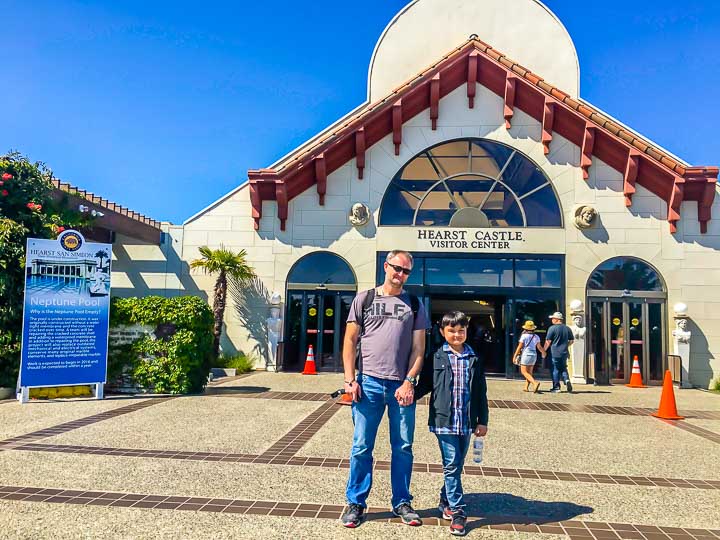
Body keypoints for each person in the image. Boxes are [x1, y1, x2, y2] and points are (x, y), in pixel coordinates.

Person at [341, 250, 429, 528]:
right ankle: (356, 502)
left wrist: (409, 381)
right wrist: (349, 379)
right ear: (385, 266)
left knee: (403, 447)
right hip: (368, 384)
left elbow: (419, 349)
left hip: (401, 387)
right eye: (396, 268)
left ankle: (401, 501)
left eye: (405, 271)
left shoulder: (414, 304)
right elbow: (350, 341)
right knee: (361, 447)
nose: (400, 275)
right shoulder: (364, 299)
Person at [415, 311, 488, 537]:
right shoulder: (436, 356)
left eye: (461, 331)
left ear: (466, 331)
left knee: (457, 463)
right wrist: (406, 395)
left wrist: (483, 420)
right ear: (442, 332)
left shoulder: (474, 357)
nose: (457, 335)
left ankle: (445, 499)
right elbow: (425, 384)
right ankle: (457, 511)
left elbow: (481, 392)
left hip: (466, 422)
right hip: (444, 421)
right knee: (452, 464)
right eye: (452, 331)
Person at [544, 311, 574, 393]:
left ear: (557, 319)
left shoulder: (552, 328)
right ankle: (567, 380)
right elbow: (571, 341)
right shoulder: (567, 328)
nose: (552, 320)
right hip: (564, 352)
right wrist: (566, 346)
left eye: (553, 318)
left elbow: (548, 341)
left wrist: (543, 351)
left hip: (555, 352)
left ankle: (556, 387)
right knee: (563, 367)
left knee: (555, 369)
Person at [512, 320, 545, 393]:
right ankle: (526, 387)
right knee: (529, 372)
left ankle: (535, 383)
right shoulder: (536, 336)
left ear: (525, 329)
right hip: (534, 354)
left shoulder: (524, 336)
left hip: (526, 354)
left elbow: (519, 347)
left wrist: (515, 356)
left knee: (523, 371)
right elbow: (539, 347)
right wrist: (543, 352)